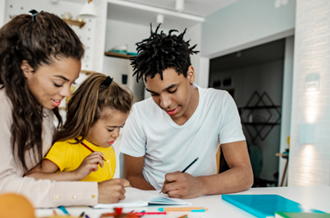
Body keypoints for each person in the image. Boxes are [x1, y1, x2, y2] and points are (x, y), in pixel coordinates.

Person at [0, 11, 129, 208]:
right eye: (58, 82)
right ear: (26, 68)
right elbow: (5, 188)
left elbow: (34, 177)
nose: (67, 93)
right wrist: (90, 193)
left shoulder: (40, 107)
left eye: (71, 83)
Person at [120, 25, 253, 199]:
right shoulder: (139, 113)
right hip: (153, 204)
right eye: (154, 94)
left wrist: (199, 185)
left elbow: (244, 175)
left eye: (172, 89)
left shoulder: (220, 102)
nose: (165, 103)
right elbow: (131, 177)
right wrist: (162, 199)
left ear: (190, 74)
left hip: (204, 203)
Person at [25, 73, 133, 183]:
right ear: (87, 120)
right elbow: (30, 178)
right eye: (110, 129)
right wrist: (75, 174)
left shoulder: (108, 148)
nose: (116, 134)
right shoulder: (67, 147)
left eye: (121, 127)